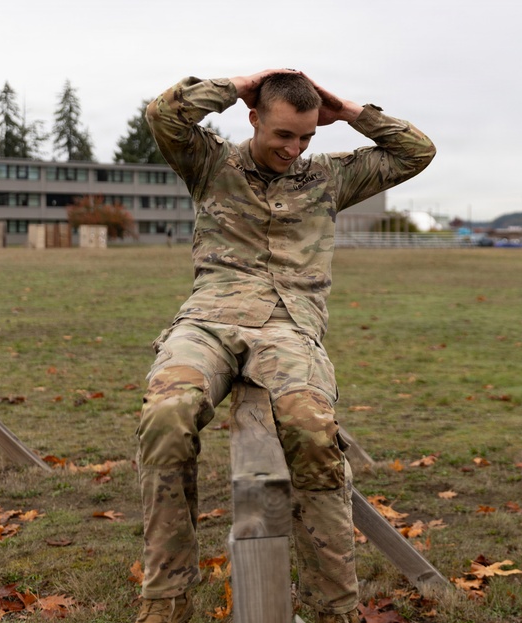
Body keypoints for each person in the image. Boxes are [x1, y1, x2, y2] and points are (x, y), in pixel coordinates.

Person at [133, 69, 435, 623]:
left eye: (305, 137)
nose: (294, 150)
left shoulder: (330, 176)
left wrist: (347, 110)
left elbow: (416, 152)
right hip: (210, 323)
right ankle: (166, 599)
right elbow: (163, 114)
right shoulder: (210, 162)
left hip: (288, 328)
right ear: (254, 119)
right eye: (283, 136)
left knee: (312, 428)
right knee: (166, 414)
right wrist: (239, 83)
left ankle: (333, 607)